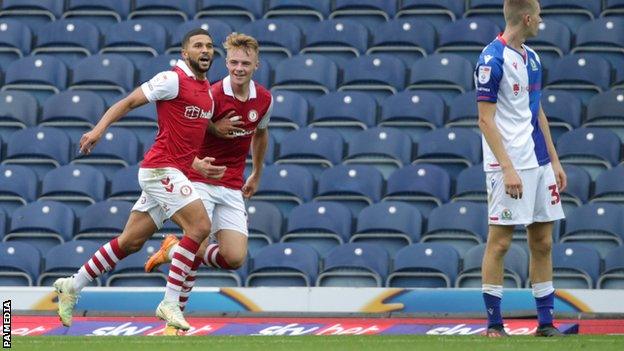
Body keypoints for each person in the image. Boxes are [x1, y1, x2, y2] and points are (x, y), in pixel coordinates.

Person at [53, 28, 223, 332]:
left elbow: (184, 135)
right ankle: (169, 302)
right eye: (198, 46)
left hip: (173, 170)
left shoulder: (205, 91)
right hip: (160, 170)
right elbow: (129, 102)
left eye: (209, 46)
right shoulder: (172, 79)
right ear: (185, 53)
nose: (205, 50)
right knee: (200, 227)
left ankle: (72, 284)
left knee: (130, 242)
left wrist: (197, 161)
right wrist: (98, 130)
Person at [144, 32, 272, 332]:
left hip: (231, 185)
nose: (239, 68)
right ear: (226, 63)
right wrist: (204, 146)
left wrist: (256, 173)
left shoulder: (264, 99)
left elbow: (261, 134)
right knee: (196, 247)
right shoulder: (211, 94)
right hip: (199, 178)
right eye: (234, 62)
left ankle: (173, 249)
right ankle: (173, 324)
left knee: (234, 258)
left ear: (256, 65)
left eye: (245, 63)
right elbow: (185, 132)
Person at [475, 0, 567, 338]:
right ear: (527, 18)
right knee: (499, 243)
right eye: (539, 15)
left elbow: (536, 111)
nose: (541, 21)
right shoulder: (491, 59)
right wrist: (508, 168)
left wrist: (554, 160)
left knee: (542, 241)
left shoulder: (533, 58)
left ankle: (545, 322)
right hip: (509, 165)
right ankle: (494, 324)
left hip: (539, 163)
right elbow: (485, 120)